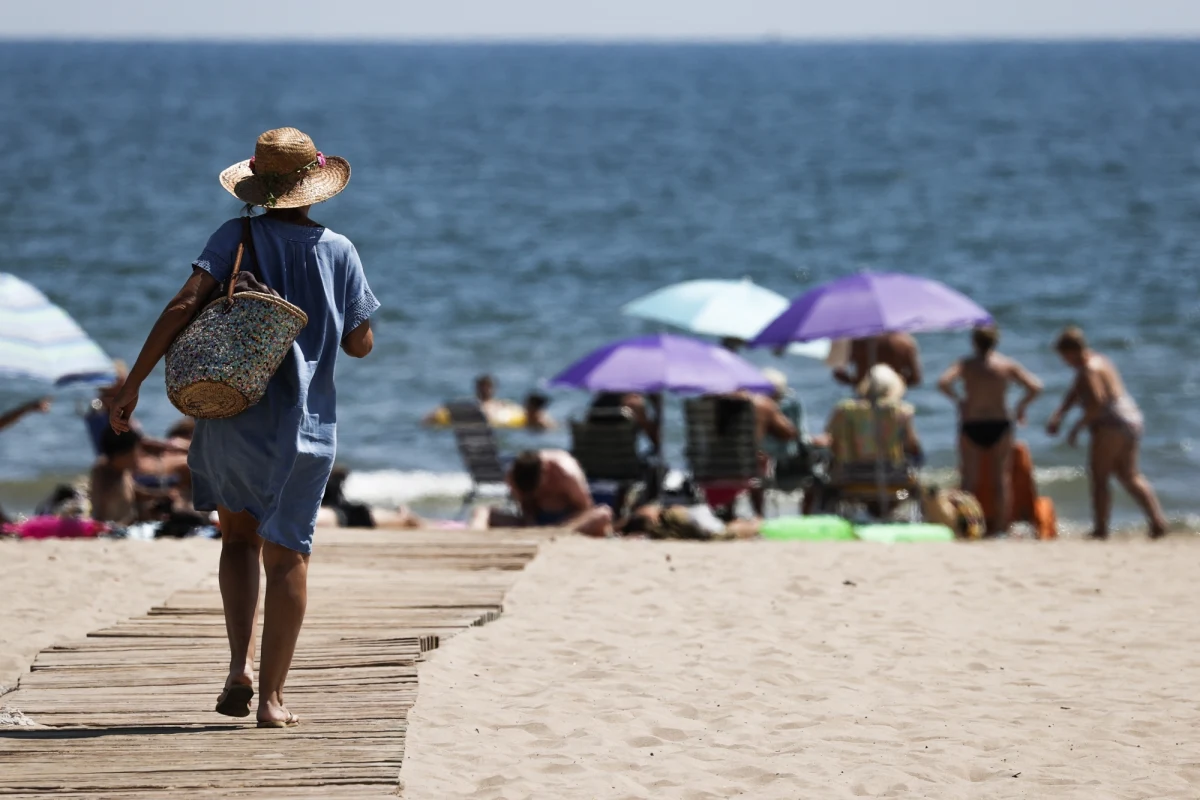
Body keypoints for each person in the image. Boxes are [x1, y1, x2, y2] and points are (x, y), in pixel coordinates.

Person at [109, 128, 378, 727]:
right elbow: (360, 344)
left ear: (260, 185)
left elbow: (182, 306)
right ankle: (274, 701)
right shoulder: (340, 250)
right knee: (288, 557)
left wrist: (133, 386)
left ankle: (239, 667)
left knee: (236, 538)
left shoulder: (236, 235)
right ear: (313, 188)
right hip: (306, 425)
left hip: (230, 413)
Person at [1046, 327, 1167, 539]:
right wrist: (1060, 414)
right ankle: (1157, 522)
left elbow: (1097, 401)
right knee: (1129, 475)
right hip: (1131, 418)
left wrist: (1076, 427)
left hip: (1111, 424)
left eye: (1063, 356)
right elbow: (1076, 391)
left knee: (1099, 476)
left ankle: (1101, 529)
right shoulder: (1100, 361)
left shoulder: (1088, 370)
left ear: (1071, 351)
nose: (1063, 361)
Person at [937, 326, 1043, 535]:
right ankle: (1001, 528)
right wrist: (1020, 407)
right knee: (1001, 478)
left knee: (969, 478)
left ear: (974, 342)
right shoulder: (1006, 365)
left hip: (972, 421)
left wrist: (959, 401)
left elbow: (943, 383)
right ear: (996, 341)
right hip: (1000, 422)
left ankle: (966, 526)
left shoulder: (966, 365)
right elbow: (1035, 387)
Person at [471, 449, 613, 537]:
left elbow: (585, 508)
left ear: (545, 471)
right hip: (534, 527)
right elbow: (525, 511)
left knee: (603, 514)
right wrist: (531, 523)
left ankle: (558, 534)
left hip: (568, 523)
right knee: (483, 511)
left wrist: (564, 526)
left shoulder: (565, 472)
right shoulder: (512, 475)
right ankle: (475, 539)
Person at [423, 374, 524, 428]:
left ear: (494, 389)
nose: (485, 390)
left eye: (488, 386)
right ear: (477, 387)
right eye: (483, 386)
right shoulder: (469, 403)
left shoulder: (503, 404)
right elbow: (437, 412)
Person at [833, 332, 923, 388]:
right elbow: (915, 379)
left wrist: (853, 382)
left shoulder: (858, 342)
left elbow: (841, 372)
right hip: (894, 402)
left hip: (864, 402)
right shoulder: (905, 342)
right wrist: (892, 386)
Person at [588, 391, 661, 453]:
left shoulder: (598, 403)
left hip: (594, 458)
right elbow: (656, 442)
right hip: (622, 461)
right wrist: (657, 407)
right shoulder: (632, 403)